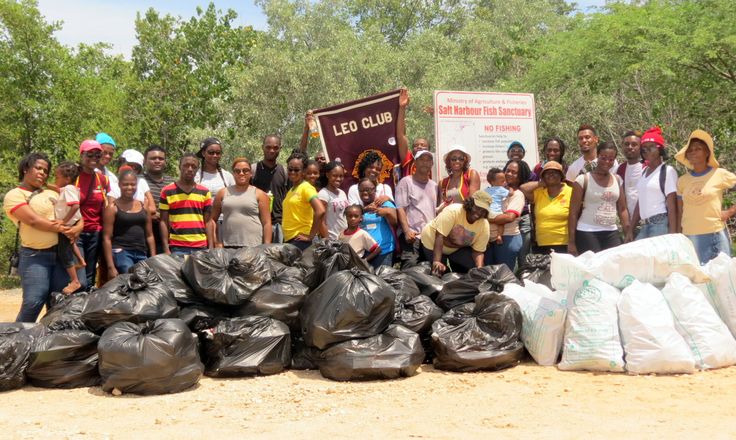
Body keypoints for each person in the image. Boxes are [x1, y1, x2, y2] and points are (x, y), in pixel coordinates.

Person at [4, 152, 82, 322]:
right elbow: (33, 220)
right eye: (38, 168)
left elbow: (76, 215)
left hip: (61, 257)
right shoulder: (14, 195)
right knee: (33, 302)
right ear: (26, 169)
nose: (42, 173)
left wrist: (78, 228)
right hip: (35, 256)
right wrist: (62, 228)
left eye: (45, 171)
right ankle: (17, 343)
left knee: (58, 305)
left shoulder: (51, 193)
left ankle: (49, 344)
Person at [675, 129, 736, 264]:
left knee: (723, 275)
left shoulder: (719, 174)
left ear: (707, 153)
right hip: (690, 236)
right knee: (699, 278)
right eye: (690, 150)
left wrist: (729, 212)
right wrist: (679, 234)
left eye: (698, 149)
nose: (693, 152)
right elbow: (681, 210)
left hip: (715, 233)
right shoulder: (682, 181)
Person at [568, 141, 632, 255]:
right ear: (597, 156)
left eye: (611, 159)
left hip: (611, 231)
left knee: (613, 266)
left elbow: (622, 209)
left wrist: (628, 232)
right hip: (587, 231)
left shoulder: (618, 180)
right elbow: (573, 212)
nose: (607, 162)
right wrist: (571, 242)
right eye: (603, 157)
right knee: (594, 268)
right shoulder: (582, 180)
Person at [420, 190, 491, 274]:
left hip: (456, 249)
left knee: (471, 270)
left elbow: (478, 251)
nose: (479, 213)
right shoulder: (453, 211)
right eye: (477, 208)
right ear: (470, 204)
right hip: (432, 242)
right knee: (440, 272)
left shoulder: (484, 225)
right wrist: (436, 261)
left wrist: (479, 268)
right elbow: (439, 236)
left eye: (483, 211)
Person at [102, 169, 156, 277]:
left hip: (141, 252)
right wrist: (110, 267)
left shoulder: (143, 206)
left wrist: (154, 259)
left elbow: (149, 235)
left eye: (133, 184)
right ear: (119, 185)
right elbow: (106, 238)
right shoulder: (112, 208)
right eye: (125, 184)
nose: (130, 188)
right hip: (122, 252)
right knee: (130, 276)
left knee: (144, 281)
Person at [210, 158, 272, 248]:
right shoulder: (222, 193)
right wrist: (216, 242)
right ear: (233, 174)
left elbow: (267, 223)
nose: (241, 173)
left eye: (245, 170)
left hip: (254, 247)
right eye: (237, 171)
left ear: (251, 173)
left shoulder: (260, 194)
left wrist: (266, 247)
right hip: (228, 247)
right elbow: (212, 220)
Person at [160, 153, 214, 255]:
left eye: (193, 166)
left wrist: (210, 246)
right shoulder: (167, 191)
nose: (190, 169)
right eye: (186, 165)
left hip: (200, 247)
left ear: (197, 169)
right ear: (180, 166)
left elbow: (208, 221)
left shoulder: (205, 192)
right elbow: (163, 221)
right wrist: (166, 248)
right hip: (177, 247)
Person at [75, 139, 111, 289]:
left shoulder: (102, 180)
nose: (94, 158)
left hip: (95, 232)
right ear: (81, 155)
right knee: (79, 276)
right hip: (76, 233)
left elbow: (107, 205)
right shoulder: (73, 176)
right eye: (90, 155)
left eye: (97, 155)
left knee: (90, 275)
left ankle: (84, 308)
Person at [631, 127, 678, 239]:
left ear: (660, 149)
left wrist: (673, 235)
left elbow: (672, 207)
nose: (647, 151)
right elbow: (640, 202)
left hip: (660, 224)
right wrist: (630, 229)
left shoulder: (667, 171)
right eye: (644, 148)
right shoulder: (644, 172)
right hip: (645, 225)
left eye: (651, 147)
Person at [484, 160, 530, 271]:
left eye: (514, 172)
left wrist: (486, 217)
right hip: (489, 240)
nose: (509, 174)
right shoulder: (492, 191)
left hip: (507, 239)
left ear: (520, 176)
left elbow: (509, 217)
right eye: (507, 170)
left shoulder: (517, 195)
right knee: (489, 276)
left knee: (505, 278)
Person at [395, 150, 437, 268]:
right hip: (412, 236)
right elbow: (400, 208)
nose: (425, 163)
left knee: (429, 268)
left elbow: (433, 210)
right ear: (415, 163)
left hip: (428, 236)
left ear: (432, 164)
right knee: (410, 266)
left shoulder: (434, 185)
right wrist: (406, 231)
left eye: (428, 160)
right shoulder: (406, 182)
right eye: (422, 160)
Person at [519, 161, 573, 254]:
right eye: (547, 173)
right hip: (541, 244)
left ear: (561, 175)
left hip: (564, 243)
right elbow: (523, 188)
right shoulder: (539, 193)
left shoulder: (571, 192)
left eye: (555, 172)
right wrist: (541, 184)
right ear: (543, 177)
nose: (551, 174)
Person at [282, 151, 327, 251]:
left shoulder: (306, 188)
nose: (292, 172)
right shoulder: (291, 190)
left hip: (301, 241)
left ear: (303, 171)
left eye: (296, 170)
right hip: (290, 240)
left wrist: (310, 236)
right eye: (290, 169)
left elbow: (320, 210)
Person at [52, 161, 85, 294]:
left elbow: (75, 205)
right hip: (70, 223)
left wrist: (63, 221)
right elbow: (58, 189)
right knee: (71, 243)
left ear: (66, 179)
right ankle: (81, 261)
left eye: (57, 177)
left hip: (67, 224)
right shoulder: (67, 189)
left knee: (64, 253)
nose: (55, 180)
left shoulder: (70, 189)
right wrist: (46, 185)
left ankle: (75, 281)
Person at [252, 134, 289, 243]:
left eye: (275, 147)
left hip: (279, 225)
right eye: (268, 147)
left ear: (280, 149)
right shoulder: (253, 170)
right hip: (257, 224)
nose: (272, 150)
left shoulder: (285, 171)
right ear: (262, 147)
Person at [357, 178, 397, 268]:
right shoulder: (359, 208)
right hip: (366, 253)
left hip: (384, 251)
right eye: (361, 190)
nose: (364, 193)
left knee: (382, 280)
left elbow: (395, 222)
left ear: (375, 189)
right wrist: (365, 209)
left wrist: (386, 211)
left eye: (368, 190)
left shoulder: (384, 203)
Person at [143, 144, 174, 254]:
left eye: (161, 158)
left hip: (169, 233)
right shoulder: (138, 181)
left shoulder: (172, 182)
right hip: (145, 233)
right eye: (153, 158)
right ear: (145, 161)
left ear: (165, 161)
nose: (157, 161)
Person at [396, 88, 431, 178]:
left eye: (423, 145)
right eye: (416, 145)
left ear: (429, 149)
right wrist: (402, 107)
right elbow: (401, 135)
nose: (419, 146)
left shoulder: (434, 164)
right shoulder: (408, 159)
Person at [438, 145, 481, 209]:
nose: (457, 161)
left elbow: (473, 202)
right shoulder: (443, 182)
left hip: (466, 217)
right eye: (454, 159)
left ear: (465, 161)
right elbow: (441, 205)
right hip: (449, 217)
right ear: (448, 161)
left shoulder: (471, 174)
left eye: (461, 159)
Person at [616, 130, 644, 221]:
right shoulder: (619, 169)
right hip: (628, 221)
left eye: (634, 144)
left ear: (641, 147)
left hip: (646, 221)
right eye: (626, 144)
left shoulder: (648, 168)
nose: (630, 147)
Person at [318, 161, 350, 240]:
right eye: (335, 176)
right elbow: (321, 221)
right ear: (327, 175)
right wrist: (328, 240)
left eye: (341, 176)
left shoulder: (342, 192)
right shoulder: (323, 194)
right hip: (333, 240)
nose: (338, 179)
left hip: (345, 237)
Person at [119, 149, 156, 215]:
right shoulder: (113, 182)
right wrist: (143, 210)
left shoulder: (141, 182)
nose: (132, 169)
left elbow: (152, 209)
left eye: (136, 167)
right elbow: (113, 210)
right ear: (122, 162)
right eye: (130, 165)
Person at [485, 168, 510, 244]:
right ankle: (499, 236)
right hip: (497, 212)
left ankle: (487, 238)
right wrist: (510, 189)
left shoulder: (486, 190)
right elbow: (510, 194)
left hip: (488, 212)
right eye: (502, 181)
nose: (505, 182)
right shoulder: (501, 189)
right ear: (493, 182)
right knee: (501, 223)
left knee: (487, 226)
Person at [96, 132, 120, 199]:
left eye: (111, 154)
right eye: (104, 152)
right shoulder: (87, 173)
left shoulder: (113, 178)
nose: (107, 156)